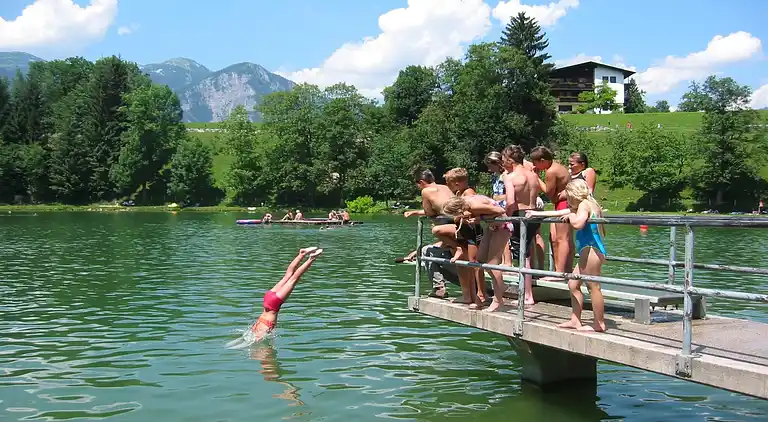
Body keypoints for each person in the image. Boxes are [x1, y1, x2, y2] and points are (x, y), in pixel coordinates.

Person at [526, 179, 607, 332]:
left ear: (574, 194)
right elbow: (561, 212)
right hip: (587, 250)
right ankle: (575, 320)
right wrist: (536, 213)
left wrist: (571, 218)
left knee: (593, 287)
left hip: (591, 250)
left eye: (568, 197)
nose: (567, 201)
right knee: (573, 284)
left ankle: (599, 323)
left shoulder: (584, 205)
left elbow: (578, 224)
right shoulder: (586, 204)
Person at [229, 247, 324, 347]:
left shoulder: (257, 330)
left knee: (292, 279)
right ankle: (301, 254)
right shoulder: (257, 329)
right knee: (288, 277)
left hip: (272, 303)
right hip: (268, 300)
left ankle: (310, 258)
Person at [441, 194, 506, 310]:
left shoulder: (473, 206)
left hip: (503, 227)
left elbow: (501, 210)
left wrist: (478, 219)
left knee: (492, 265)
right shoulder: (467, 203)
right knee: (479, 262)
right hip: (492, 227)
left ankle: (498, 300)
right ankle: (483, 296)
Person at [404, 169, 455, 297]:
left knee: (427, 251)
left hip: (449, 231)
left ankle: (439, 289)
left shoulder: (426, 191)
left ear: (421, 182)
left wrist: (421, 212)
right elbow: (442, 207)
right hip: (458, 226)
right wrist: (416, 212)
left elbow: (430, 213)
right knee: (432, 249)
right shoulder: (445, 187)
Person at [502, 145, 542, 306]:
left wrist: (505, 216)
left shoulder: (510, 176)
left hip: (520, 216)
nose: (502, 163)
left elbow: (511, 201)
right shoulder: (532, 175)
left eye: (504, 160)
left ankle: (528, 295)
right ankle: (527, 291)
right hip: (534, 214)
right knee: (527, 253)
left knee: (522, 256)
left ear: (510, 160)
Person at [442, 168, 486, 305]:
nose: (447, 186)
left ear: (456, 183)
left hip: (473, 231)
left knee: (475, 263)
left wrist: (458, 215)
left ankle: (481, 295)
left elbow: (470, 212)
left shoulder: (469, 192)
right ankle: (470, 296)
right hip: (465, 232)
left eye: (448, 183)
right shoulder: (458, 193)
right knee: (466, 264)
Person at [530, 146, 572, 281]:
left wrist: (536, 177)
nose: (534, 165)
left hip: (564, 204)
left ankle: (560, 273)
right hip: (561, 203)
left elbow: (548, 193)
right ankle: (560, 270)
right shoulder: (557, 166)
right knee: (554, 238)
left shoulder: (551, 171)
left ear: (542, 160)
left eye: (535, 162)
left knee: (562, 238)